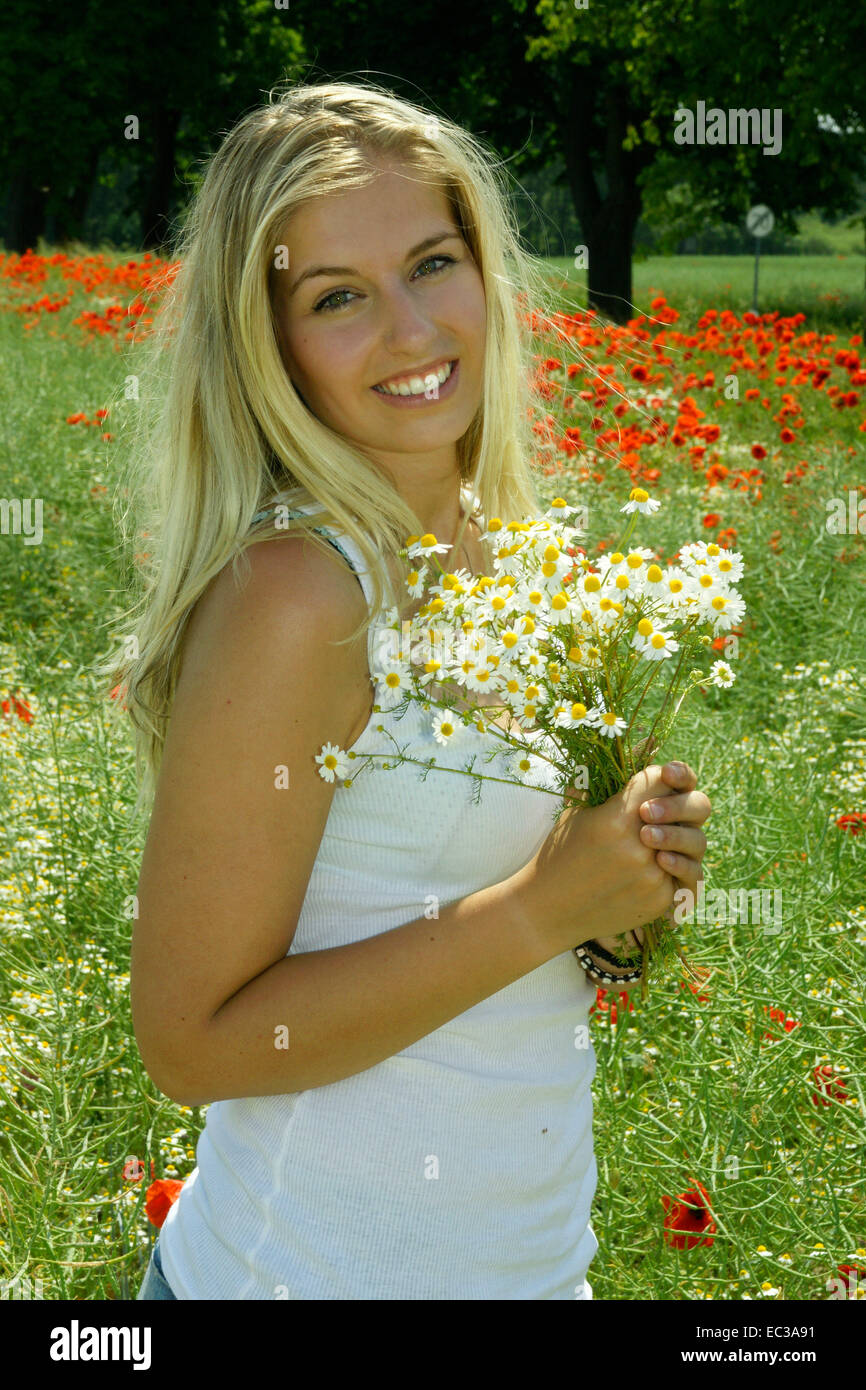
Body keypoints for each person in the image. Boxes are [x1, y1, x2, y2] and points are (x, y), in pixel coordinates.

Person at [108, 80, 711, 1300]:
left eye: (432, 263)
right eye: (336, 296)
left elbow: (512, 935)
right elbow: (190, 1041)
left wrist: (623, 880)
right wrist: (541, 908)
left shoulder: (525, 561)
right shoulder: (301, 595)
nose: (412, 330)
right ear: (265, 343)